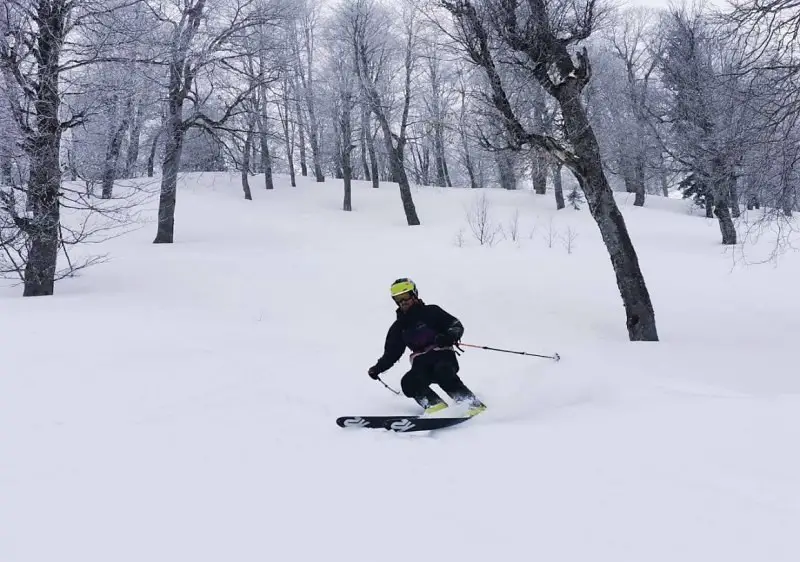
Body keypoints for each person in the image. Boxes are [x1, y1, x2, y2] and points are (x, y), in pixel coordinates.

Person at [367, 278, 486, 416]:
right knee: (408, 382)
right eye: (398, 299)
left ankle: (471, 403)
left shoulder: (432, 312)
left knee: (443, 372)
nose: (403, 302)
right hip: (421, 363)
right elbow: (391, 353)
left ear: (414, 295)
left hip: (442, 356)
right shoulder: (399, 327)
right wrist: (377, 368)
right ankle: (435, 406)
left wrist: (449, 336)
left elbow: (455, 325)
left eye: (405, 296)